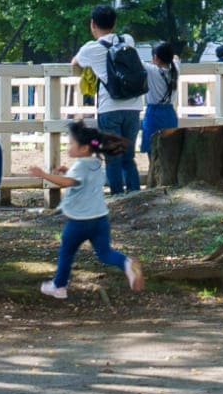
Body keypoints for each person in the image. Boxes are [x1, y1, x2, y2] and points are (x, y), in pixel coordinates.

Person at [22, 121, 146, 298]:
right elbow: (82, 181)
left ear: (84, 148)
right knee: (105, 253)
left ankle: (59, 286)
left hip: (80, 221)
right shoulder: (96, 162)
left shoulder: (80, 166)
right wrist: (68, 171)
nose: (68, 146)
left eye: (71, 143)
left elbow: (69, 182)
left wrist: (43, 174)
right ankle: (126, 263)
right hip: (100, 218)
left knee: (66, 252)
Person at [72, 5, 149, 194]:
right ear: (114, 23)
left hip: (109, 108)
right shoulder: (127, 40)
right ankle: (133, 193)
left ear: (92, 24)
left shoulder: (90, 49)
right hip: (133, 106)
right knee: (128, 156)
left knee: (112, 156)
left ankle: (116, 195)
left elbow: (75, 64)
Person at [139, 41, 181, 179]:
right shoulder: (176, 68)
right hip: (169, 112)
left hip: (153, 113)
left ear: (155, 57)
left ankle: (154, 177)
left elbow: (135, 61)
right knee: (169, 147)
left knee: (151, 148)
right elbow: (176, 58)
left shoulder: (151, 70)